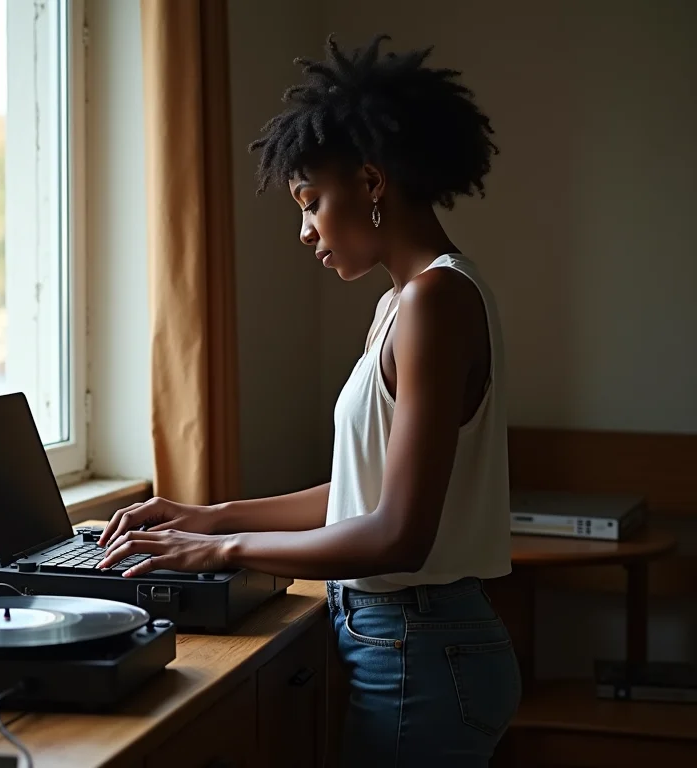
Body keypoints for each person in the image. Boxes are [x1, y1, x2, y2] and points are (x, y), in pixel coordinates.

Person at [98, 33, 521, 767]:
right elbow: (364, 494)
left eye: (310, 203)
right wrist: (210, 515)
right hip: (407, 644)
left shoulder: (435, 301)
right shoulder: (403, 304)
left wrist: (219, 550)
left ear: (371, 182)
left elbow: (398, 536)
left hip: (419, 651)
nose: (304, 232)